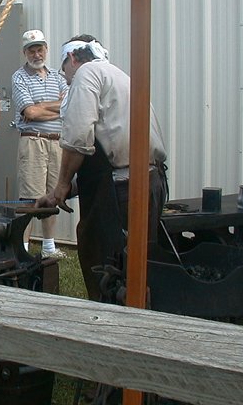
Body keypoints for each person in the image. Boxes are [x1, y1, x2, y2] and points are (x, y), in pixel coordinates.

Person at [38, 35, 167, 301]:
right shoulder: (119, 76)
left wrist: (61, 184)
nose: (66, 79)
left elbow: (78, 138)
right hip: (149, 182)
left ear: (72, 59)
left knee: (105, 264)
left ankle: (105, 322)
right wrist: (60, 192)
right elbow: (102, 155)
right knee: (139, 264)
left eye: (65, 72)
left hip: (120, 192)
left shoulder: (86, 73)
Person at [12, 30, 68, 258]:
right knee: (30, 197)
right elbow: (30, 112)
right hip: (33, 142)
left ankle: (48, 247)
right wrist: (58, 107)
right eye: (32, 50)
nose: (37, 54)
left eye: (40, 49)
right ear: (25, 52)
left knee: (52, 196)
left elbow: (69, 106)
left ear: (46, 49)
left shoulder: (58, 76)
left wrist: (43, 106)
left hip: (57, 143)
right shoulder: (19, 77)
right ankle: (22, 249)